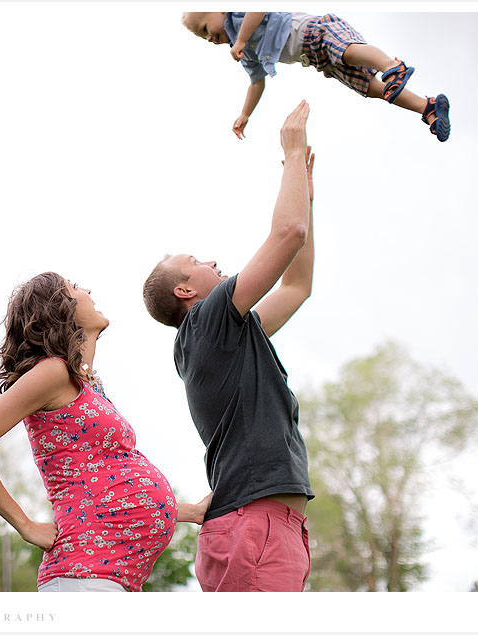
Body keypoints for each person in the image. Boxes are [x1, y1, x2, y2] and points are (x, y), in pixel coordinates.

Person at [141, 101, 315, 592]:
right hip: (254, 527)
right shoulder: (207, 320)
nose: (211, 259)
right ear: (185, 291)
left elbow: (297, 285)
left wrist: (305, 190)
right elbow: (287, 234)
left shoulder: (226, 337)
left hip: (264, 527)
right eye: (195, 260)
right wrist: (292, 149)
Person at [0, 272, 212, 592]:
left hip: (111, 578)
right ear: (58, 310)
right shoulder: (53, 372)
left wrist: (186, 511)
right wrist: (25, 525)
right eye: (75, 287)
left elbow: (102, 482)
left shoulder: (87, 384)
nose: (87, 289)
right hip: (83, 575)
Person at [182, 12, 450, 142]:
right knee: (369, 87)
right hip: (318, 59)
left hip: (316, 31)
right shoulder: (245, 53)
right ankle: (427, 107)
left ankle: (393, 66)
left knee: (346, 52)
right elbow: (256, 82)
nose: (208, 37)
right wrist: (245, 114)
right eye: (202, 37)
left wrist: (240, 39)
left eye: (205, 27)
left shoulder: (237, 15)